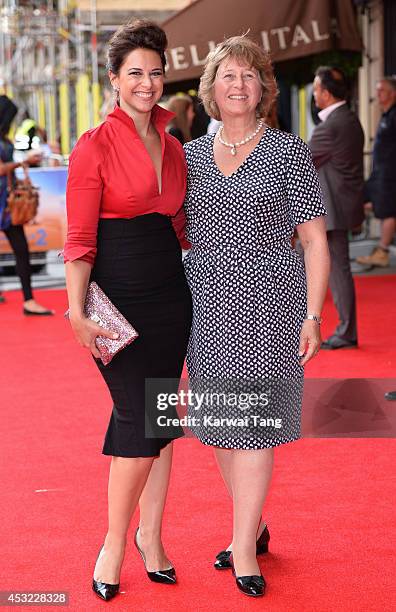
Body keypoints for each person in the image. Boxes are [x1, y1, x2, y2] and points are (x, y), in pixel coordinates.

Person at [183, 35, 330, 597]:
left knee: (257, 427)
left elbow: (314, 240)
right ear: (211, 91)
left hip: (272, 303)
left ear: (263, 87)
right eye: (227, 76)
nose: (238, 84)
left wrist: (313, 315)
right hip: (207, 306)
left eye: (248, 75)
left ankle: (243, 545)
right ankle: (257, 522)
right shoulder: (190, 156)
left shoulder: (289, 151)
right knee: (221, 428)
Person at [63, 20, 192, 602]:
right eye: (135, 73)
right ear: (114, 79)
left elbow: (182, 225)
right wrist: (74, 311)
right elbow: (78, 239)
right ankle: (115, 543)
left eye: (156, 72)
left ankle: (152, 536)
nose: (148, 82)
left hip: (170, 297)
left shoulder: (172, 144)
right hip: (115, 299)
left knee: (159, 420)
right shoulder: (94, 144)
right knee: (138, 416)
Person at [309, 66, 365, 350]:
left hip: (335, 206)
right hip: (342, 202)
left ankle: (346, 330)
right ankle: (344, 328)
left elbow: (302, 159)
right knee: (336, 266)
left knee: (339, 268)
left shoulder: (332, 125)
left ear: (326, 94)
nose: (314, 94)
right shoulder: (349, 118)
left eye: (316, 89)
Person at [0, 96, 54, 315]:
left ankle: (29, 299)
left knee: (21, 249)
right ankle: (28, 300)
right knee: (21, 249)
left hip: (6, 200)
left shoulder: (5, 138)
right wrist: (23, 162)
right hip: (4, 200)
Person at [356, 76, 396, 268]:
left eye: (382, 90)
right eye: (377, 90)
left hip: (390, 174)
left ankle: (383, 250)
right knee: (373, 205)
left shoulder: (394, 115)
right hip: (380, 173)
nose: (378, 94)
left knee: (388, 211)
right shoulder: (386, 115)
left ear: (392, 94)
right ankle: (381, 247)